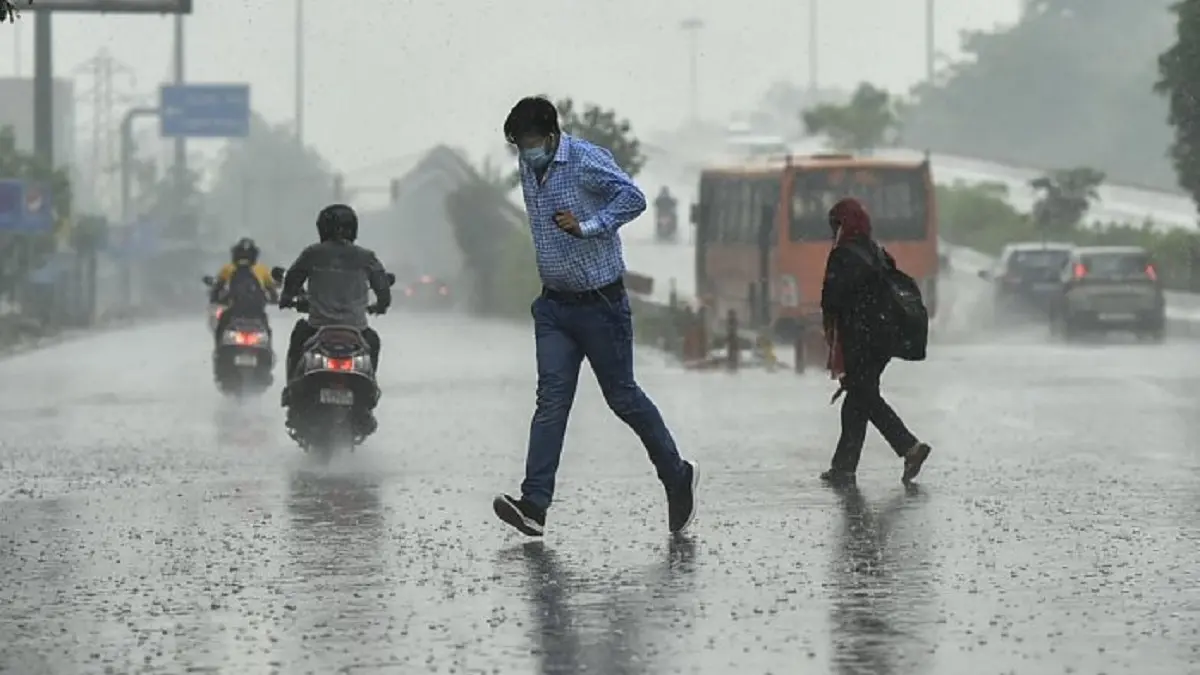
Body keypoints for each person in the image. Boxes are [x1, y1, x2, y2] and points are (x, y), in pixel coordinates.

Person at [491, 95, 700, 538]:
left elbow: (634, 198)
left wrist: (588, 225)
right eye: (518, 146)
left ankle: (677, 475)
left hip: (601, 305)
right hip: (554, 308)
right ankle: (535, 504)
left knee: (622, 398)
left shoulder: (585, 161)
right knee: (551, 402)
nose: (525, 154)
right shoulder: (529, 167)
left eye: (530, 143)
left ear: (550, 137)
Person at [819, 197, 931, 485]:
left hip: (860, 338)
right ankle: (843, 467)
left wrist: (830, 329)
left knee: (864, 397)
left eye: (835, 225)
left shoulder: (843, 255)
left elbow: (832, 300)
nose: (834, 231)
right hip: (884, 338)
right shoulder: (876, 252)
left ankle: (909, 447)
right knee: (857, 398)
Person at [278, 204, 391, 430]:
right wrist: (380, 305)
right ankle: (369, 398)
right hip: (356, 331)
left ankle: (291, 391)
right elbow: (383, 289)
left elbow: (292, 279)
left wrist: (287, 298)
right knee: (374, 342)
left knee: (298, 337)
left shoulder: (312, 254)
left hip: (317, 328)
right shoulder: (366, 257)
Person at [210, 237, 277, 345]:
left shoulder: (228, 269)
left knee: (222, 325)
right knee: (266, 328)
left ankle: (219, 349)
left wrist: (216, 299)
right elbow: (272, 290)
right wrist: (274, 299)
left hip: (235, 310)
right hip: (257, 311)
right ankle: (268, 350)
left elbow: (217, 287)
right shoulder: (262, 269)